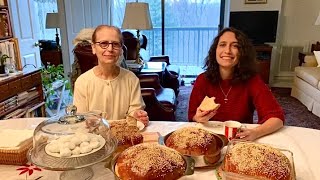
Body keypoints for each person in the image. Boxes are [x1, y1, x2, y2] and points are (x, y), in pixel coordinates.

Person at [188, 27, 284, 141]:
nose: (227, 51)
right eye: (222, 44)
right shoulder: (202, 80)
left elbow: (277, 118)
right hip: (208, 139)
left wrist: (256, 132)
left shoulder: (253, 81)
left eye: (235, 46)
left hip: (239, 139)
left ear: (242, 53)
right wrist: (198, 117)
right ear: (215, 50)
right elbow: (192, 116)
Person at [73, 25, 149, 126]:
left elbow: (134, 111)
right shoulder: (82, 82)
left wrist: (137, 115)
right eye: (103, 43)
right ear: (94, 48)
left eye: (115, 44)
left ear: (121, 49)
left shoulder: (131, 79)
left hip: (123, 135)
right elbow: (81, 119)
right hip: (94, 137)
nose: (110, 49)